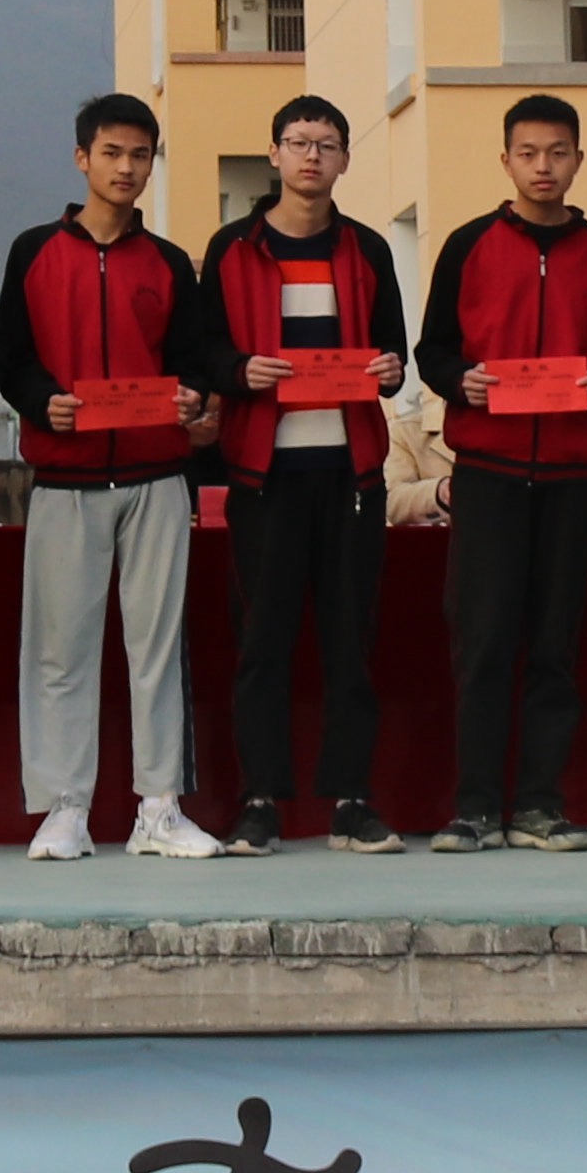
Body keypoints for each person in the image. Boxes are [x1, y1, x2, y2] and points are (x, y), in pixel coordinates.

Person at [1, 90, 237, 862]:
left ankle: (159, 808)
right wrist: (42, 401)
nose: (126, 168)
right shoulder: (34, 251)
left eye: (140, 155)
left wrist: (193, 395)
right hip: (65, 478)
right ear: (82, 158)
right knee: (60, 651)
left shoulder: (167, 262)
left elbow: (194, 361)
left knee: (157, 649)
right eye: (112, 153)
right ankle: (64, 808)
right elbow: (10, 357)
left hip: (156, 475)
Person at [418, 93, 587, 853]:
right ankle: (474, 806)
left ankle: (540, 804)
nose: (544, 167)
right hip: (488, 473)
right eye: (529, 153)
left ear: (579, 160)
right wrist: (460, 381)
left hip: (571, 478)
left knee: (554, 646)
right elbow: (433, 350)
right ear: (505, 160)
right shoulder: (469, 245)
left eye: (558, 153)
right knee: (481, 642)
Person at [209, 93, 408, 852]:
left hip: (350, 473)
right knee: (262, 643)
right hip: (265, 473)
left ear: (345, 159)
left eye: (326, 144)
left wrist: (389, 369)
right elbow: (203, 350)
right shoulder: (232, 248)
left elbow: (392, 350)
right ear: (274, 154)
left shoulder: (367, 249)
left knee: (350, 641)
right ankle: (260, 800)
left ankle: (352, 800)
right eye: (298, 142)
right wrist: (238, 370)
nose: (311, 156)